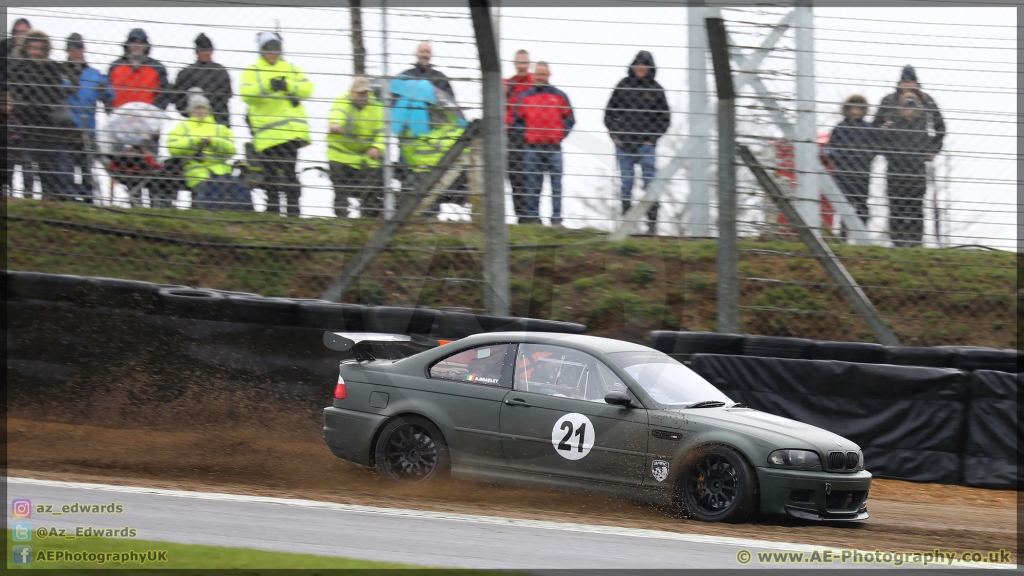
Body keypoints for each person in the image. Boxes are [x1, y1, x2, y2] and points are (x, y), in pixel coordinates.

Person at [240, 32, 313, 216]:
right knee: (270, 175)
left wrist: (287, 85)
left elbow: (307, 89)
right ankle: (273, 212)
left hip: (289, 132)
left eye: (275, 49)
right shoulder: (253, 70)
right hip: (267, 135)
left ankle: (293, 213)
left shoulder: (291, 68)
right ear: (262, 51)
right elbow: (246, 94)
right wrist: (269, 85)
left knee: (289, 174)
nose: (272, 53)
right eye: (268, 49)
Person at [604, 50, 670, 235]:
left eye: (644, 65)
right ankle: (626, 223)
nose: (640, 68)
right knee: (626, 183)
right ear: (633, 66)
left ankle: (652, 225)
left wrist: (652, 139)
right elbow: (609, 114)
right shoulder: (622, 86)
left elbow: (664, 119)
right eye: (638, 64)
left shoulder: (656, 90)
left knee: (650, 183)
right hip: (624, 145)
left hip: (646, 146)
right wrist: (615, 136)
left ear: (650, 67)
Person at [8, 30, 76, 199]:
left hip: (49, 129)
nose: (36, 52)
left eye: (39, 48)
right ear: (26, 49)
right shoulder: (19, 67)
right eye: (32, 48)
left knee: (50, 170)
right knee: (27, 170)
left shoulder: (53, 68)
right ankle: (27, 200)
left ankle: (50, 200)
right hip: (25, 127)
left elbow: (56, 95)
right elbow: (19, 94)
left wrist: (38, 100)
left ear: (46, 49)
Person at [509, 62, 574, 225]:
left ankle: (556, 218)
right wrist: (527, 135)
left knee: (556, 185)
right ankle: (533, 219)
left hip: (554, 147)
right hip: (532, 147)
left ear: (549, 75)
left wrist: (560, 135)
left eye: (543, 74)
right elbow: (517, 121)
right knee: (532, 185)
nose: (540, 77)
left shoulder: (560, 96)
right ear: (534, 75)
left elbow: (570, 119)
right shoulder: (525, 97)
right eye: (538, 74)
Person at [168, 88, 249, 211]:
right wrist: (196, 141)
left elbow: (231, 149)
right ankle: (205, 213)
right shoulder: (182, 127)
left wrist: (213, 142)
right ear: (191, 110)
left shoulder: (220, 128)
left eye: (202, 108)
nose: (200, 111)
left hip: (220, 168)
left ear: (208, 109)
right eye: (196, 108)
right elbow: (172, 147)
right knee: (205, 185)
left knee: (235, 185)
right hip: (195, 167)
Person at [877, 92, 934, 247]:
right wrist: (883, 131)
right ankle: (897, 241)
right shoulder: (893, 126)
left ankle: (916, 241)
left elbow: (928, 148)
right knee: (896, 209)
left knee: (916, 209)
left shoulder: (921, 128)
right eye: (906, 107)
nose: (909, 111)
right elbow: (881, 145)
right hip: (896, 175)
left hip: (916, 176)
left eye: (912, 107)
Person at [64, 33, 114, 199]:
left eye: (79, 48)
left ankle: (89, 200)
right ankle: (69, 200)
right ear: (67, 51)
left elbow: (109, 97)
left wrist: (105, 91)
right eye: (73, 49)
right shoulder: (59, 73)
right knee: (67, 169)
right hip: (66, 130)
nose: (77, 52)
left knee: (86, 169)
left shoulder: (94, 74)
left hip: (87, 131)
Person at [328, 76, 385, 219]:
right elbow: (338, 112)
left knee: (372, 185)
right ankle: (342, 218)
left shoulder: (377, 108)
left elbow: (383, 132)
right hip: (341, 154)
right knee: (340, 187)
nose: (362, 96)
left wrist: (377, 147)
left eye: (365, 93)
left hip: (365, 155)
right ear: (352, 92)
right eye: (359, 93)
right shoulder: (342, 101)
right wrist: (335, 123)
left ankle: (368, 217)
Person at [825, 94, 876, 235]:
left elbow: (874, 148)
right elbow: (831, 147)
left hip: (861, 173)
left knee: (862, 206)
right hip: (843, 172)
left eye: (859, 108)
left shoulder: (868, 128)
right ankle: (843, 237)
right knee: (844, 206)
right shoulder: (840, 127)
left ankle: (863, 236)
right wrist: (839, 157)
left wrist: (864, 157)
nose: (856, 111)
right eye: (853, 107)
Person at [3, 18, 35, 193]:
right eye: (18, 32)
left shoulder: (36, 56)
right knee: (7, 161)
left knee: (28, 163)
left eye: (25, 32)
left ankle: (28, 196)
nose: (21, 36)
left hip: (29, 118)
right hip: (9, 117)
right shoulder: (6, 56)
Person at [172, 33, 232, 126]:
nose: (206, 53)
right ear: (197, 52)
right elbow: (178, 100)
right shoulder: (186, 73)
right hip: (195, 123)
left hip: (219, 122)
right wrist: (195, 111)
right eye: (202, 50)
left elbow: (226, 95)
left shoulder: (221, 71)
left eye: (208, 50)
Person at [504, 49, 534, 222]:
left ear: (529, 64)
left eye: (525, 62)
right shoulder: (508, 86)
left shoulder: (535, 84)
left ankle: (531, 215)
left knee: (531, 177)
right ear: (515, 64)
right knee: (515, 176)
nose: (522, 66)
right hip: (512, 136)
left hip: (530, 137)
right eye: (519, 62)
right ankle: (521, 216)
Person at [108, 29, 171, 111]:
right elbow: (106, 92)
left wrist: (155, 111)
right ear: (127, 46)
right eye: (133, 43)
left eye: (140, 43)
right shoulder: (115, 66)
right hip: (120, 116)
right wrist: (111, 111)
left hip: (148, 117)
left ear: (146, 47)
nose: (136, 46)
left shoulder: (157, 68)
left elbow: (165, 93)